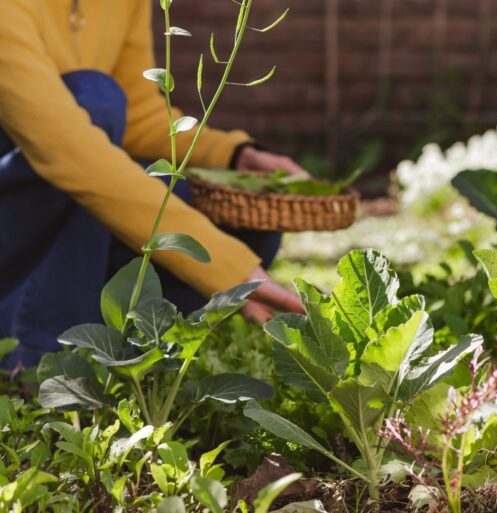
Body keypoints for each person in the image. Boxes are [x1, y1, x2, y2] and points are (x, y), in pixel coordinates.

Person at [0, 0, 305, 368]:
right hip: (23, 198)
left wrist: (233, 155)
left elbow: (137, 113)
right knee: (96, 99)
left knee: (246, 231)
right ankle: (36, 356)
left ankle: (98, 325)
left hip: (71, 183)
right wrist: (229, 269)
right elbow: (71, 153)